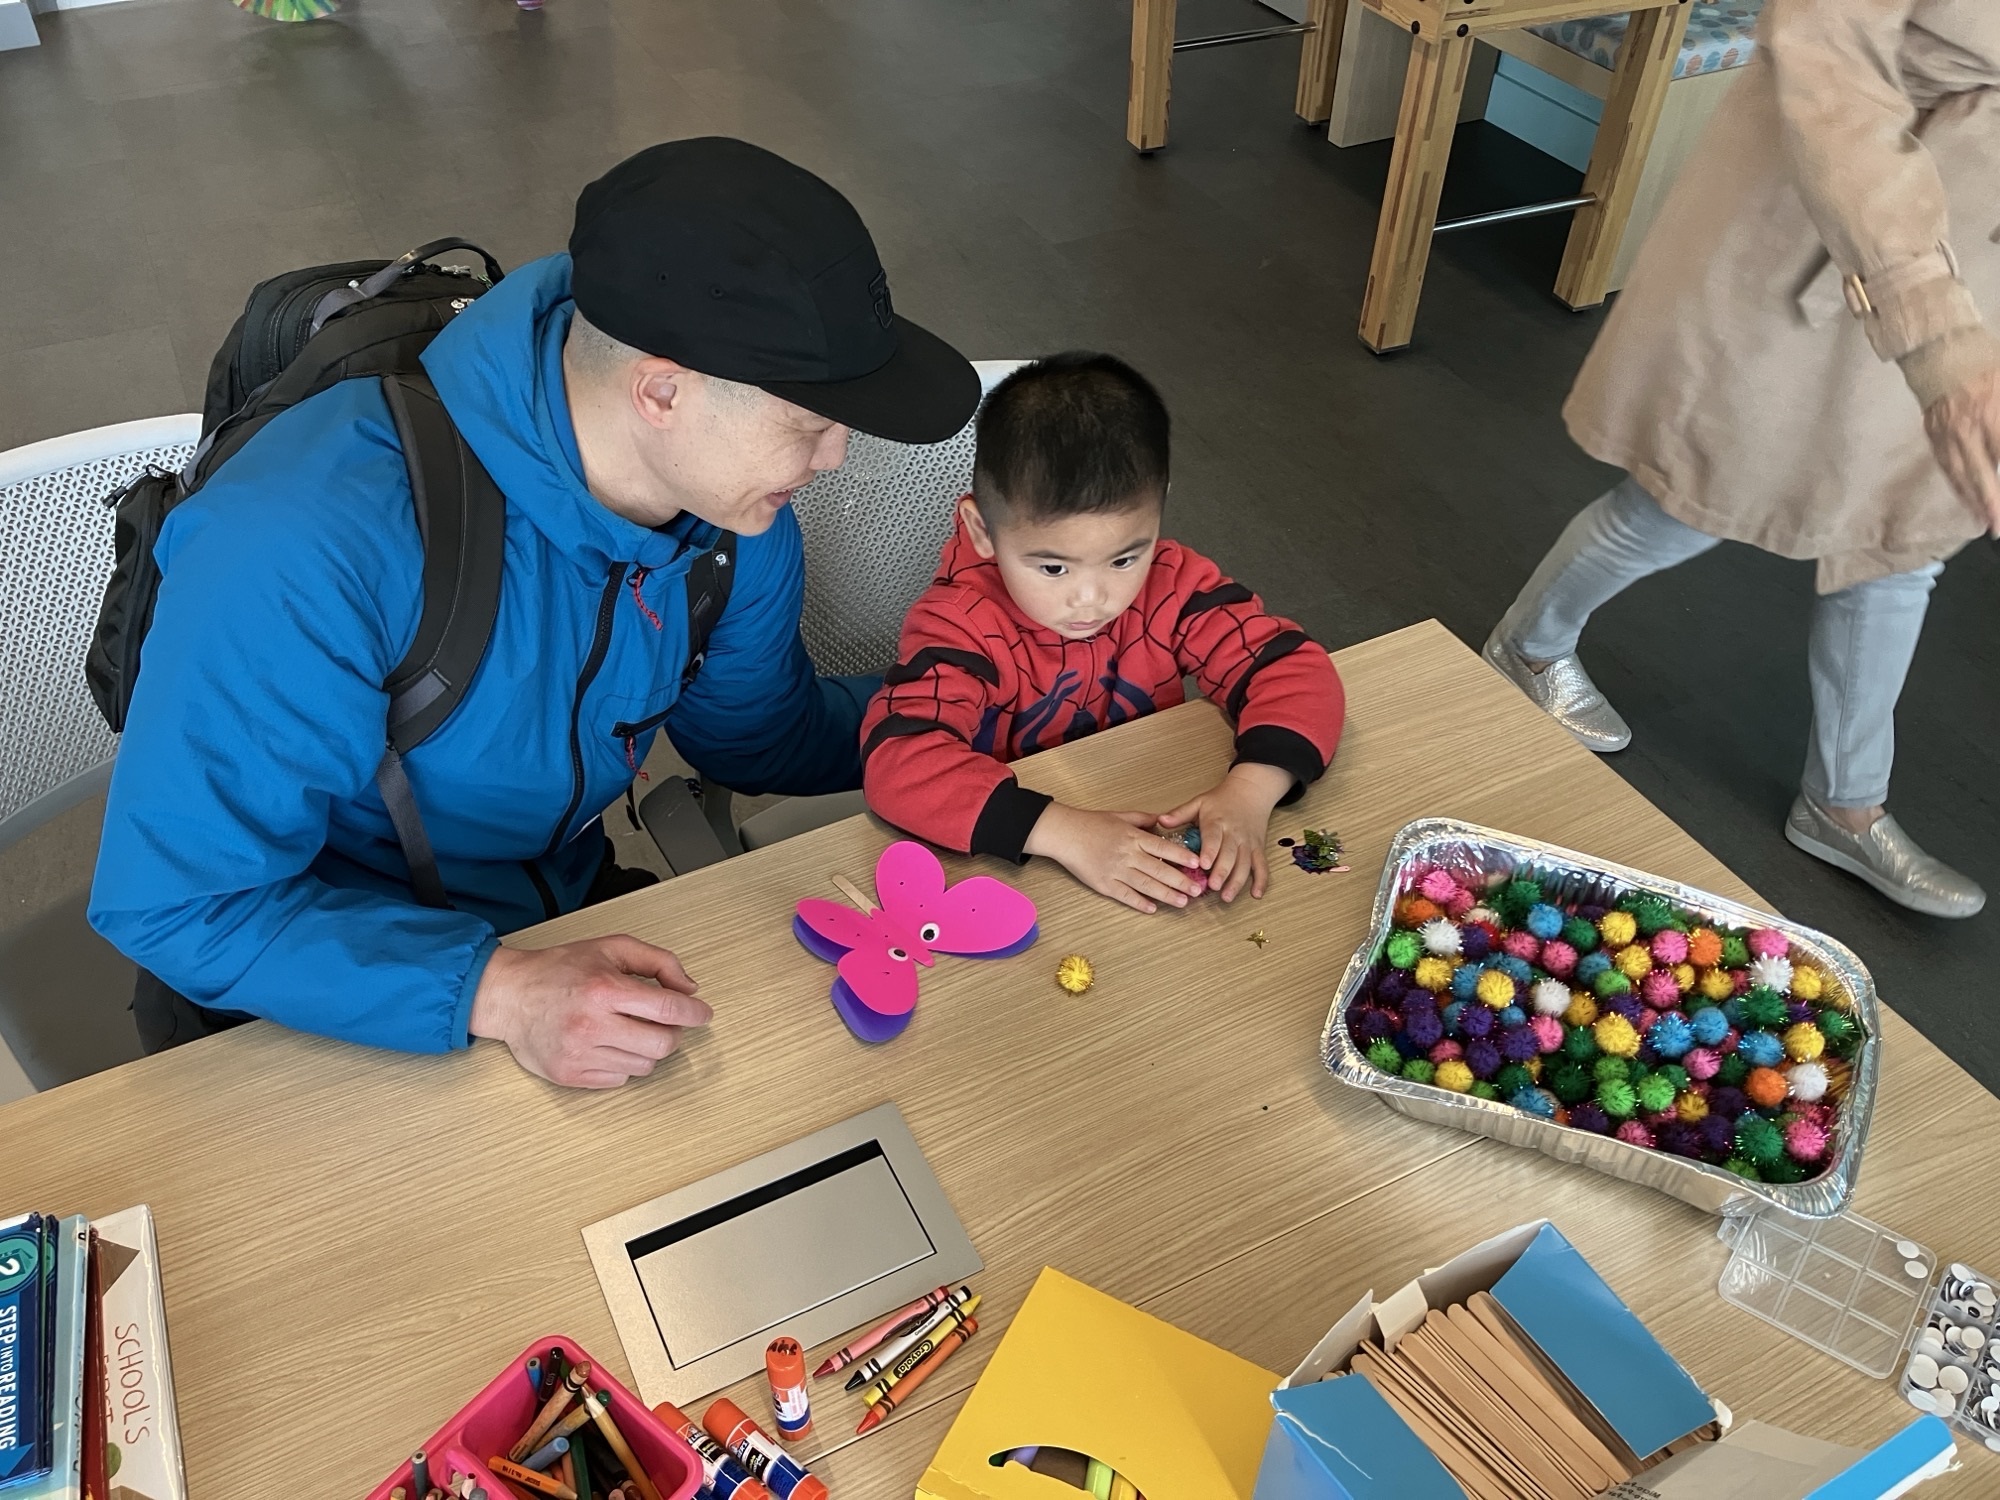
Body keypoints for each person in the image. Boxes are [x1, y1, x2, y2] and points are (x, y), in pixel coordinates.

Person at [88, 138, 981, 1085]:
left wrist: (988, 710)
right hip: (302, 985)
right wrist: (503, 992)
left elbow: (759, 735)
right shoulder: (306, 537)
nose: (836, 456)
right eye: (809, 424)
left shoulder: (731, 521)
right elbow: (182, 902)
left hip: (559, 930)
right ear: (663, 390)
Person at [1483, 0, 2000, 919]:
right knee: (1690, 493)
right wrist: (1935, 330)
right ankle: (1530, 645)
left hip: (1978, 242)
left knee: (1901, 533)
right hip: (1832, 203)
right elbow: (1831, 62)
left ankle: (1845, 801)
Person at [861, 353, 1345, 912]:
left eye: (1123, 559)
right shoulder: (961, 623)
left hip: (1140, 804)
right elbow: (899, 762)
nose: (1092, 600)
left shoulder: (1174, 582)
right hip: (1028, 868)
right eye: (1053, 568)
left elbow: (1292, 668)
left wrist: (1252, 789)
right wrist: (1064, 832)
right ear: (981, 530)